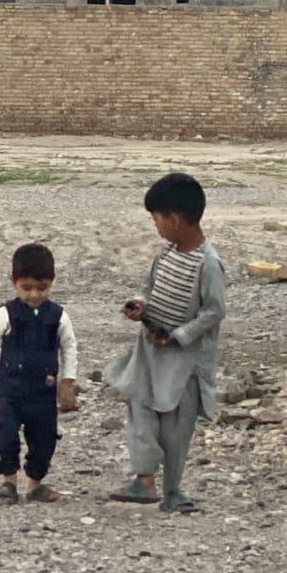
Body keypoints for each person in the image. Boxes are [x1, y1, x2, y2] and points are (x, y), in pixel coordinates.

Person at [106, 172, 225, 513]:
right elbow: (149, 287)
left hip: (183, 360)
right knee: (140, 405)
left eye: (157, 218)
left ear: (174, 219)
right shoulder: (166, 253)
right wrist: (139, 305)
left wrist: (179, 336)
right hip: (149, 350)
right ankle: (144, 478)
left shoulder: (208, 263)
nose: (156, 226)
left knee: (176, 424)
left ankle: (173, 490)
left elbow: (213, 312)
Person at [0, 242, 78, 504]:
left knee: (44, 438)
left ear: (51, 282)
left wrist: (67, 382)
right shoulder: (6, 314)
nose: (34, 294)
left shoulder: (58, 316)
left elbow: (69, 349)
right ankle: (9, 481)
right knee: (6, 436)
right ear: (14, 282)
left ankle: (34, 483)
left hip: (44, 392)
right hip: (11, 391)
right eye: (26, 287)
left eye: (41, 288)